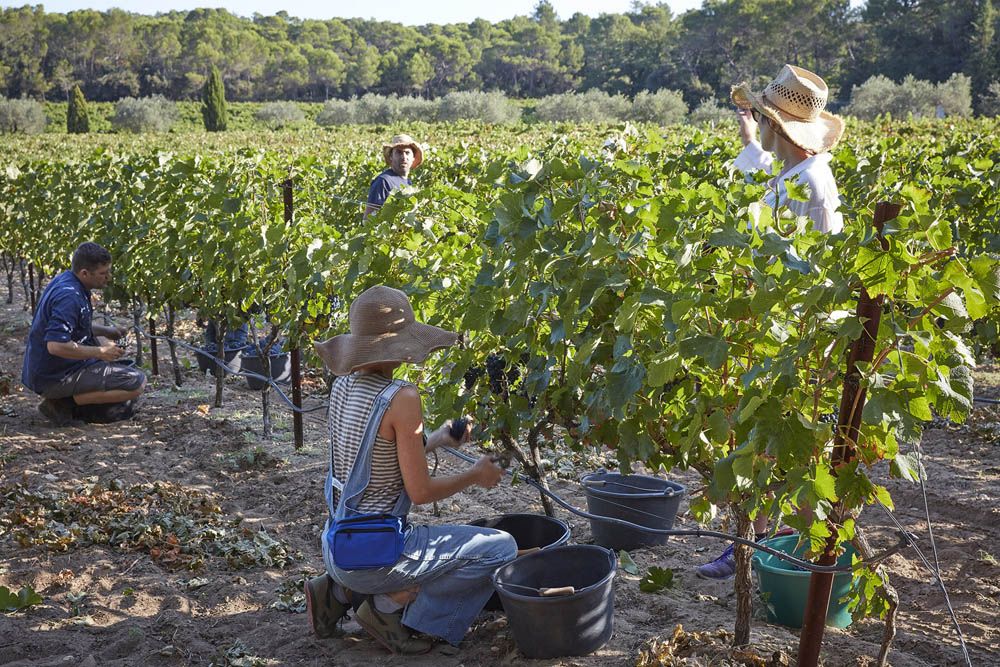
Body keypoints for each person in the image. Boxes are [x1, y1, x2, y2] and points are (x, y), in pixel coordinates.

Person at [306, 285, 516, 654]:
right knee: (500, 548)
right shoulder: (402, 397)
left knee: (461, 544)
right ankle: (390, 611)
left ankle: (336, 592)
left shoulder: (343, 384)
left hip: (340, 544)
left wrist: (434, 439)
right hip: (377, 554)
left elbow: (371, 457)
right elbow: (420, 492)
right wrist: (475, 475)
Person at [696, 64, 845, 580]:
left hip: (796, 341)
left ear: (779, 128)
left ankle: (801, 562)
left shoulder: (814, 189)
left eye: (762, 118)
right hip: (773, 333)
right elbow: (761, 166)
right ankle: (750, 545)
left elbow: (815, 273)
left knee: (796, 456)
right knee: (758, 443)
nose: (758, 125)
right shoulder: (793, 172)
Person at [21, 242, 146, 426]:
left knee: (106, 349)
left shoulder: (69, 282)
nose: (108, 277)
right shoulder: (69, 297)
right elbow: (55, 346)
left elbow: (76, 326)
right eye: (103, 273)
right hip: (54, 376)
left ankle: (66, 400)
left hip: (49, 369)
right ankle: (61, 404)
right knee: (137, 382)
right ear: (85, 273)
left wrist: (107, 331)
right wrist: (100, 352)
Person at [363, 134, 423, 219]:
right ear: (391, 156)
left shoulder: (409, 183)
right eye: (399, 152)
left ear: (413, 157)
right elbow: (368, 219)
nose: (403, 157)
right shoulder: (383, 181)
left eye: (407, 152)